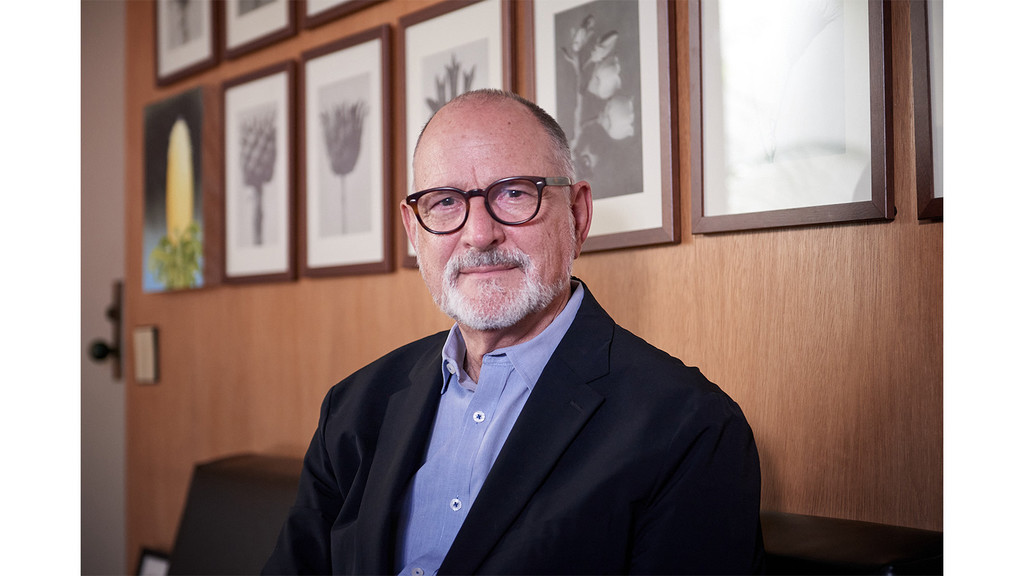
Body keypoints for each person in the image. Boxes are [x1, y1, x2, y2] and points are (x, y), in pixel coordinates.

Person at [263, 89, 764, 575]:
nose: (480, 235)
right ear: (414, 231)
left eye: (514, 193)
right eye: (443, 202)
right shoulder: (353, 407)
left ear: (578, 215)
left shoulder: (690, 427)